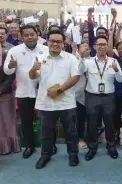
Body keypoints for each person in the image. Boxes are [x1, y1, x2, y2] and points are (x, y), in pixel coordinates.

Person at [29, 30, 80, 169]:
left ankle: (73, 154)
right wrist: (33, 69)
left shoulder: (71, 58)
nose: (55, 44)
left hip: (66, 102)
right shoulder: (40, 57)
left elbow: (75, 77)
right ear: (47, 42)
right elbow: (33, 76)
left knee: (71, 131)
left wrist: (59, 90)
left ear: (64, 43)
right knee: (46, 132)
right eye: (52, 41)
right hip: (46, 103)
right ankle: (45, 154)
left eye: (59, 41)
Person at [4, 25, 50, 159]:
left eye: (32, 34)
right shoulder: (14, 50)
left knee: (47, 120)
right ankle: (30, 145)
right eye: (26, 35)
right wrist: (11, 66)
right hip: (24, 91)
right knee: (26, 121)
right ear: (21, 36)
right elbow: (7, 70)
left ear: (37, 34)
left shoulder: (46, 49)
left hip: (43, 91)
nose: (30, 37)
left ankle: (49, 145)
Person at [80, 35, 122, 161]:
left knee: (109, 123)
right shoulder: (88, 61)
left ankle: (111, 147)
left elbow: (120, 79)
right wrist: (81, 57)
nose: (102, 46)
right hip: (92, 97)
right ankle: (92, 148)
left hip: (108, 97)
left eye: (104, 44)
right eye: (99, 44)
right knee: (92, 124)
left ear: (107, 46)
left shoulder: (113, 62)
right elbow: (80, 70)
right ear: (95, 46)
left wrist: (116, 70)